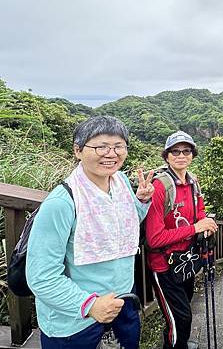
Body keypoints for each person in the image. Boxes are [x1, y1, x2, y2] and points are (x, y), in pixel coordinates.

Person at [26, 116, 154, 349]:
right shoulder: (62, 202)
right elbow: (41, 277)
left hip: (122, 303)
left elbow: (123, 225)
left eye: (118, 146)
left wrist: (141, 202)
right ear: (78, 150)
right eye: (101, 147)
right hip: (76, 320)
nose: (111, 154)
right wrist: (90, 305)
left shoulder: (121, 181)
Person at [145, 130, 218, 349]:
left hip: (185, 261)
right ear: (166, 156)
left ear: (192, 155)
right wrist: (195, 227)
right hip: (164, 267)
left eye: (186, 151)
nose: (181, 155)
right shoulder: (161, 187)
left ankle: (179, 342)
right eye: (175, 151)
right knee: (182, 319)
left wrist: (206, 224)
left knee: (182, 313)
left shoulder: (193, 182)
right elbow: (154, 238)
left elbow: (200, 212)